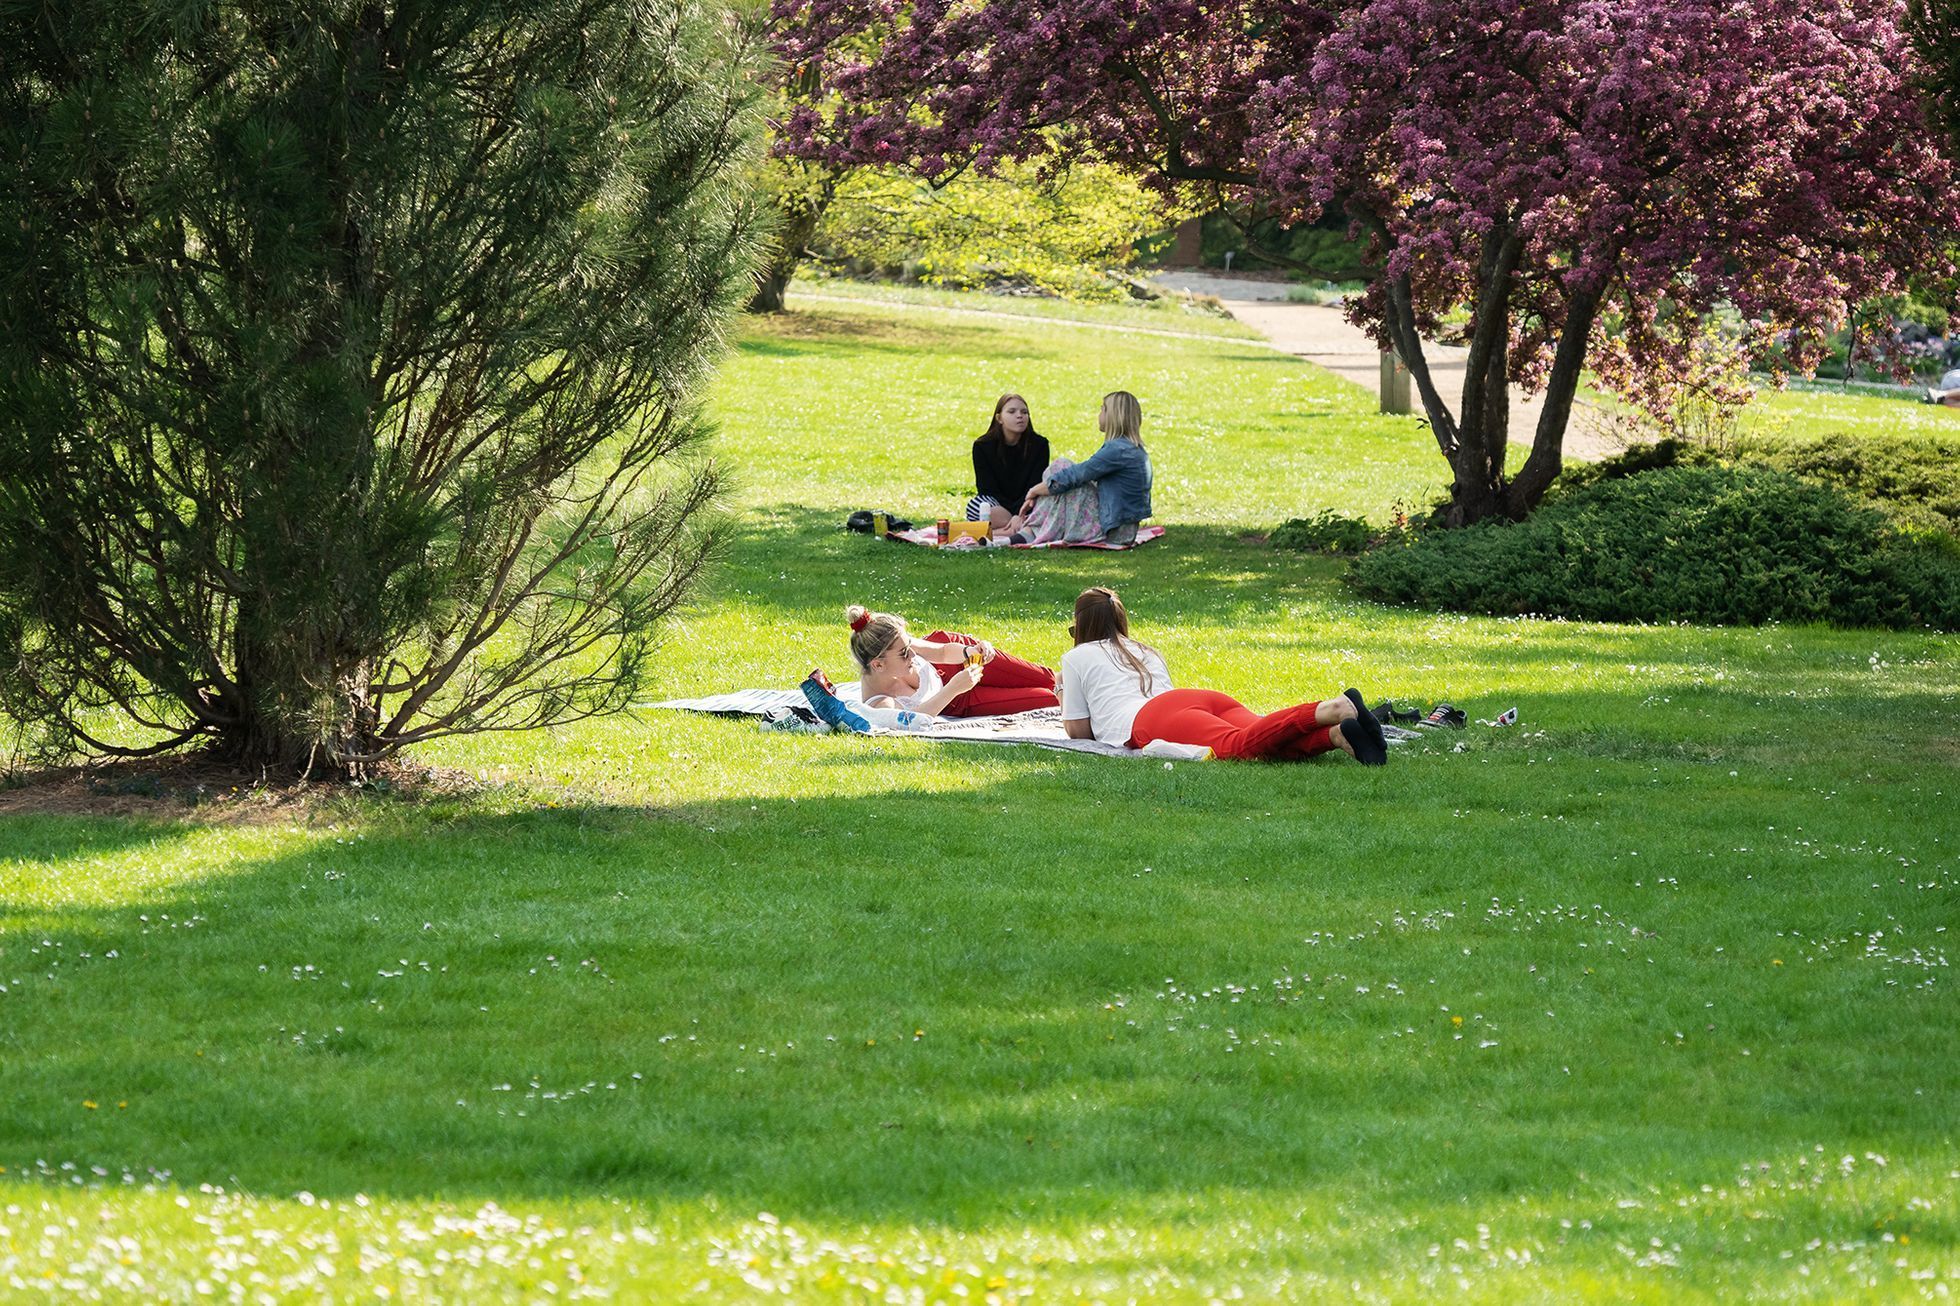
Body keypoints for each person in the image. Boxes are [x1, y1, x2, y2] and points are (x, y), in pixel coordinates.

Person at [1057, 587, 1387, 764]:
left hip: (1150, 718)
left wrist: (1061, 694)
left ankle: (1329, 709)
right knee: (1263, 739)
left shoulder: (1075, 657)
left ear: (1081, 625)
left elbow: (1079, 732)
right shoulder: (1146, 650)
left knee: (1235, 747)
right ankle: (1334, 736)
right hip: (1196, 700)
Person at [845, 604, 1059, 716]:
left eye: (909, 647)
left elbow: (943, 653)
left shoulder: (898, 644)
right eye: (904, 653)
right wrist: (954, 688)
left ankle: (1086, 675)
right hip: (957, 697)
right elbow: (914, 720)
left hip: (956, 661)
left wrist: (970, 650)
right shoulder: (881, 703)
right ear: (878, 664)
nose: (912, 654)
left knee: (1047, 677)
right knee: (1051, 697)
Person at [1015, 390, 1153, 546]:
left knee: (1062, 469)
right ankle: (1032, 530)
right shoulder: (1131, 448)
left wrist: (1034, 491)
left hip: (1115, 531)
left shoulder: (1117, 450)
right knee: (1063, 474)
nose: (1100, 413)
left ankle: (1030, 532)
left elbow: (1076, 475)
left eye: (1103, 409)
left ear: (1113, 416)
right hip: (1124, 528)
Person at [968, 393, 1052, 528]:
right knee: (977, 505)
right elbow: (987, 489)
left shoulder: (1039, 445)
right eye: (1012, 411)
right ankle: (1019, 527)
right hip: (998, 506)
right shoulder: (982, 446)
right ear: (999, 418)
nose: (1020, 416)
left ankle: (1009, 529)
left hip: (1028, 504)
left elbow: (1035, 485)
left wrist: (1019, 512)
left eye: (1024, 412)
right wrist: (1012, 515)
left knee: (1047, 500)